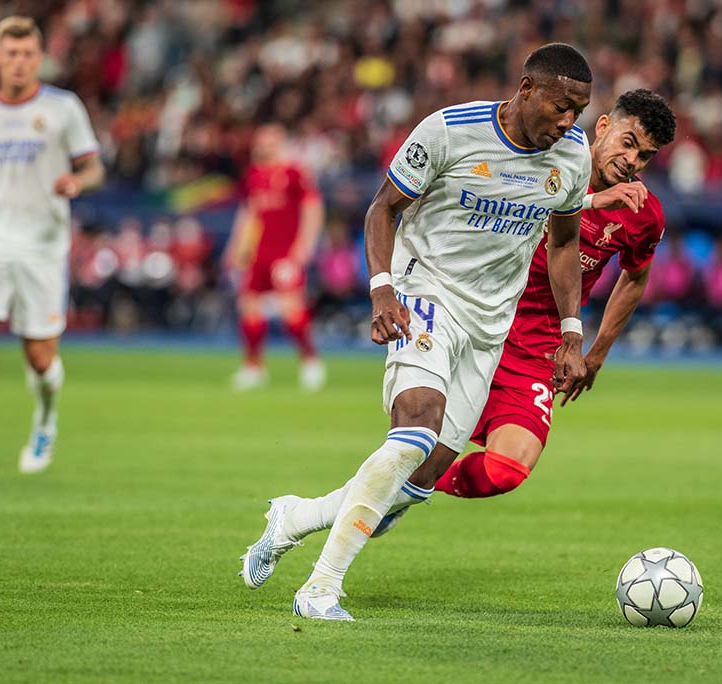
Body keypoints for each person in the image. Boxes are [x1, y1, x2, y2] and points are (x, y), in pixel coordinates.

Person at [240, 43, 593, 620]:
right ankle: (321, 588)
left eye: (577, 111)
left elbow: (564, 241)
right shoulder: (450, 130)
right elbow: (382, 209)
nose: (568, 122)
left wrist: (573, 331)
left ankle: (296, 518)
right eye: (560, 106)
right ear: (527, 89)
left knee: (421, 475)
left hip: (488, 325)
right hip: (423, 291)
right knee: (417, 426)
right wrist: (382, 287)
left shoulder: (573, 156)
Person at [423, 89, 676, 499]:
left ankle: (420, 486)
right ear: (604, 126)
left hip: (538, 348)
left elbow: (635, 277)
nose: (632, 162)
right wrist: (592, 202)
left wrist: (597, 353)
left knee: (505, 470)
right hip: (474, 321)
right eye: (628, 143)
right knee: (418, 439)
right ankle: (396, 488)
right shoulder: (542, 159)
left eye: (645, 156)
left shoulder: (641, 214)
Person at [0, 16, 105, 473]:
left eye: (27, 54)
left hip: (42, 245)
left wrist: (78, 181)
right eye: (10, 53)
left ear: (39, 58)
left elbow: (94, 169)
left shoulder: (63, 108)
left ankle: (45, 421)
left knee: (40, 358)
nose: (19, 62)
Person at [223, 123, 326, 392]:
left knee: (291, 308)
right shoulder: (255, 174)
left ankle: (310, 361)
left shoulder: (294, 172)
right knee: (249, 306)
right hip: (259, 252)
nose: (261, 146)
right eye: (259, 141)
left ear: (279, 142)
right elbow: (249, 214)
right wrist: (236, 248)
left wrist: (303, 250)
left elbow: (313, 209)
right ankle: (254, 367)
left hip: (285, 252)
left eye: (267, 141)